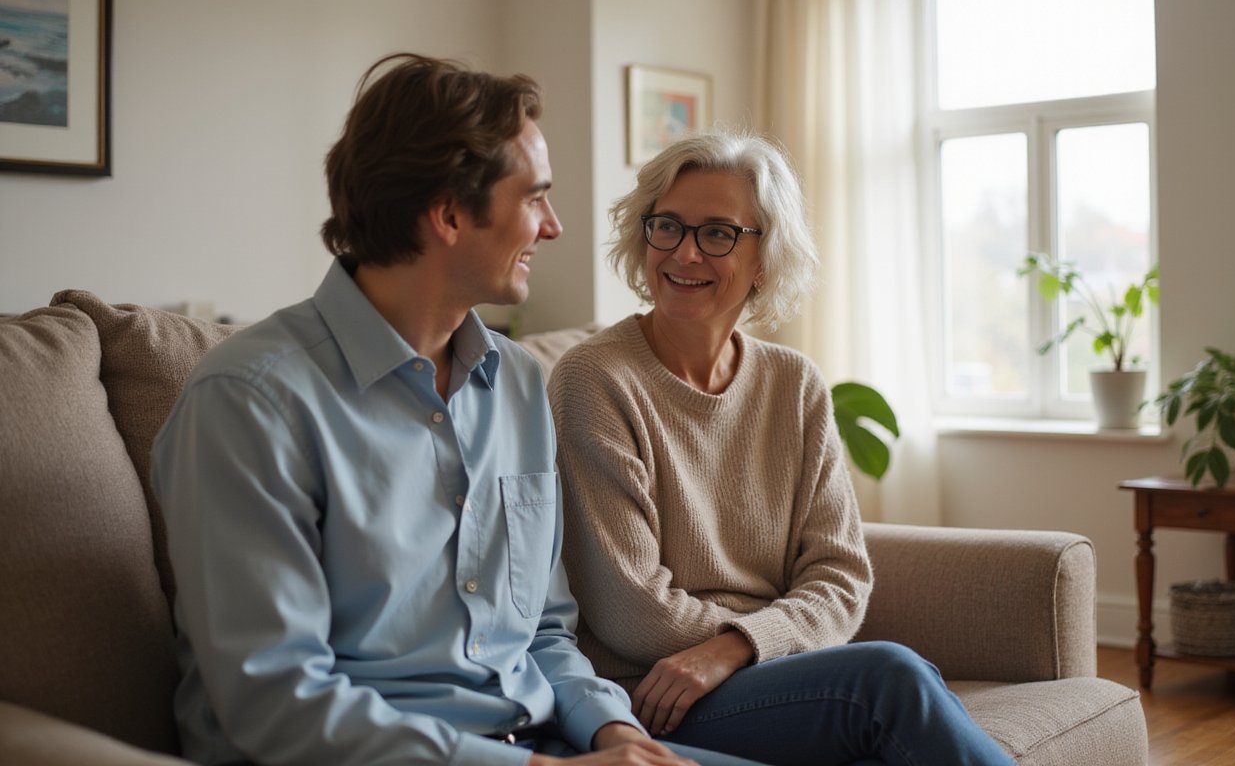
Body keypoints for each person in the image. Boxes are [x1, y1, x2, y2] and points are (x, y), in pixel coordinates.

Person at [152, 54, 763, 766]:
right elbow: (276, 700)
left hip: (544, 745)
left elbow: (542, 632)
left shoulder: (515, 385)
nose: (554, 227)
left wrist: (616, 732)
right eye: (535, 198)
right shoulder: (250, 401)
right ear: (447, 214)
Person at [547, 130, 1015, 766]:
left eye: (717, 233)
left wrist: (739, 645)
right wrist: (761, 639)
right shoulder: (593, 380)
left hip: (757, 672)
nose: (684, 253)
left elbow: (842, 576)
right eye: (667, 227)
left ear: (766, 258)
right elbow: (633, 613)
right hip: (650, 696)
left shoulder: (793, 384)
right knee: (888, 678)